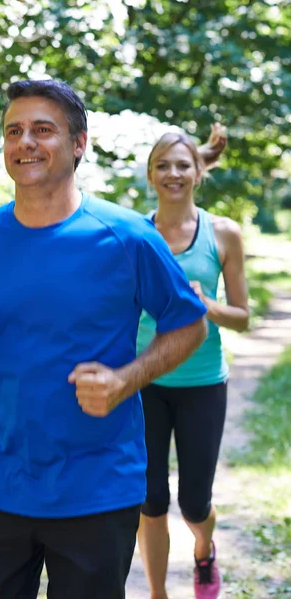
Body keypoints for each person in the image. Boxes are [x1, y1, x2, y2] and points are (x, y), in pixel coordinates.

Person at [0, 79, 208, 599]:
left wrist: (127, 379)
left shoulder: (126, 236)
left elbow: (190, 322)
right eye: (14, 131)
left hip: (97, 489)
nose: (25, 142)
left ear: (79, 143)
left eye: (43, 130)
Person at [137, 127, 249, 599]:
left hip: (203, 382)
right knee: (151, 499)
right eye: (163, 165)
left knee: (194, 502)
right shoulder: (136, 233)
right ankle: (159, 593)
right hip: (144, 379)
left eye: (182, 165)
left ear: (198, 173)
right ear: (150, 175)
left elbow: (242, 317)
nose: (173, 174)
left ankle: (204, 549)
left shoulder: (223, 233)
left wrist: (205, 304)